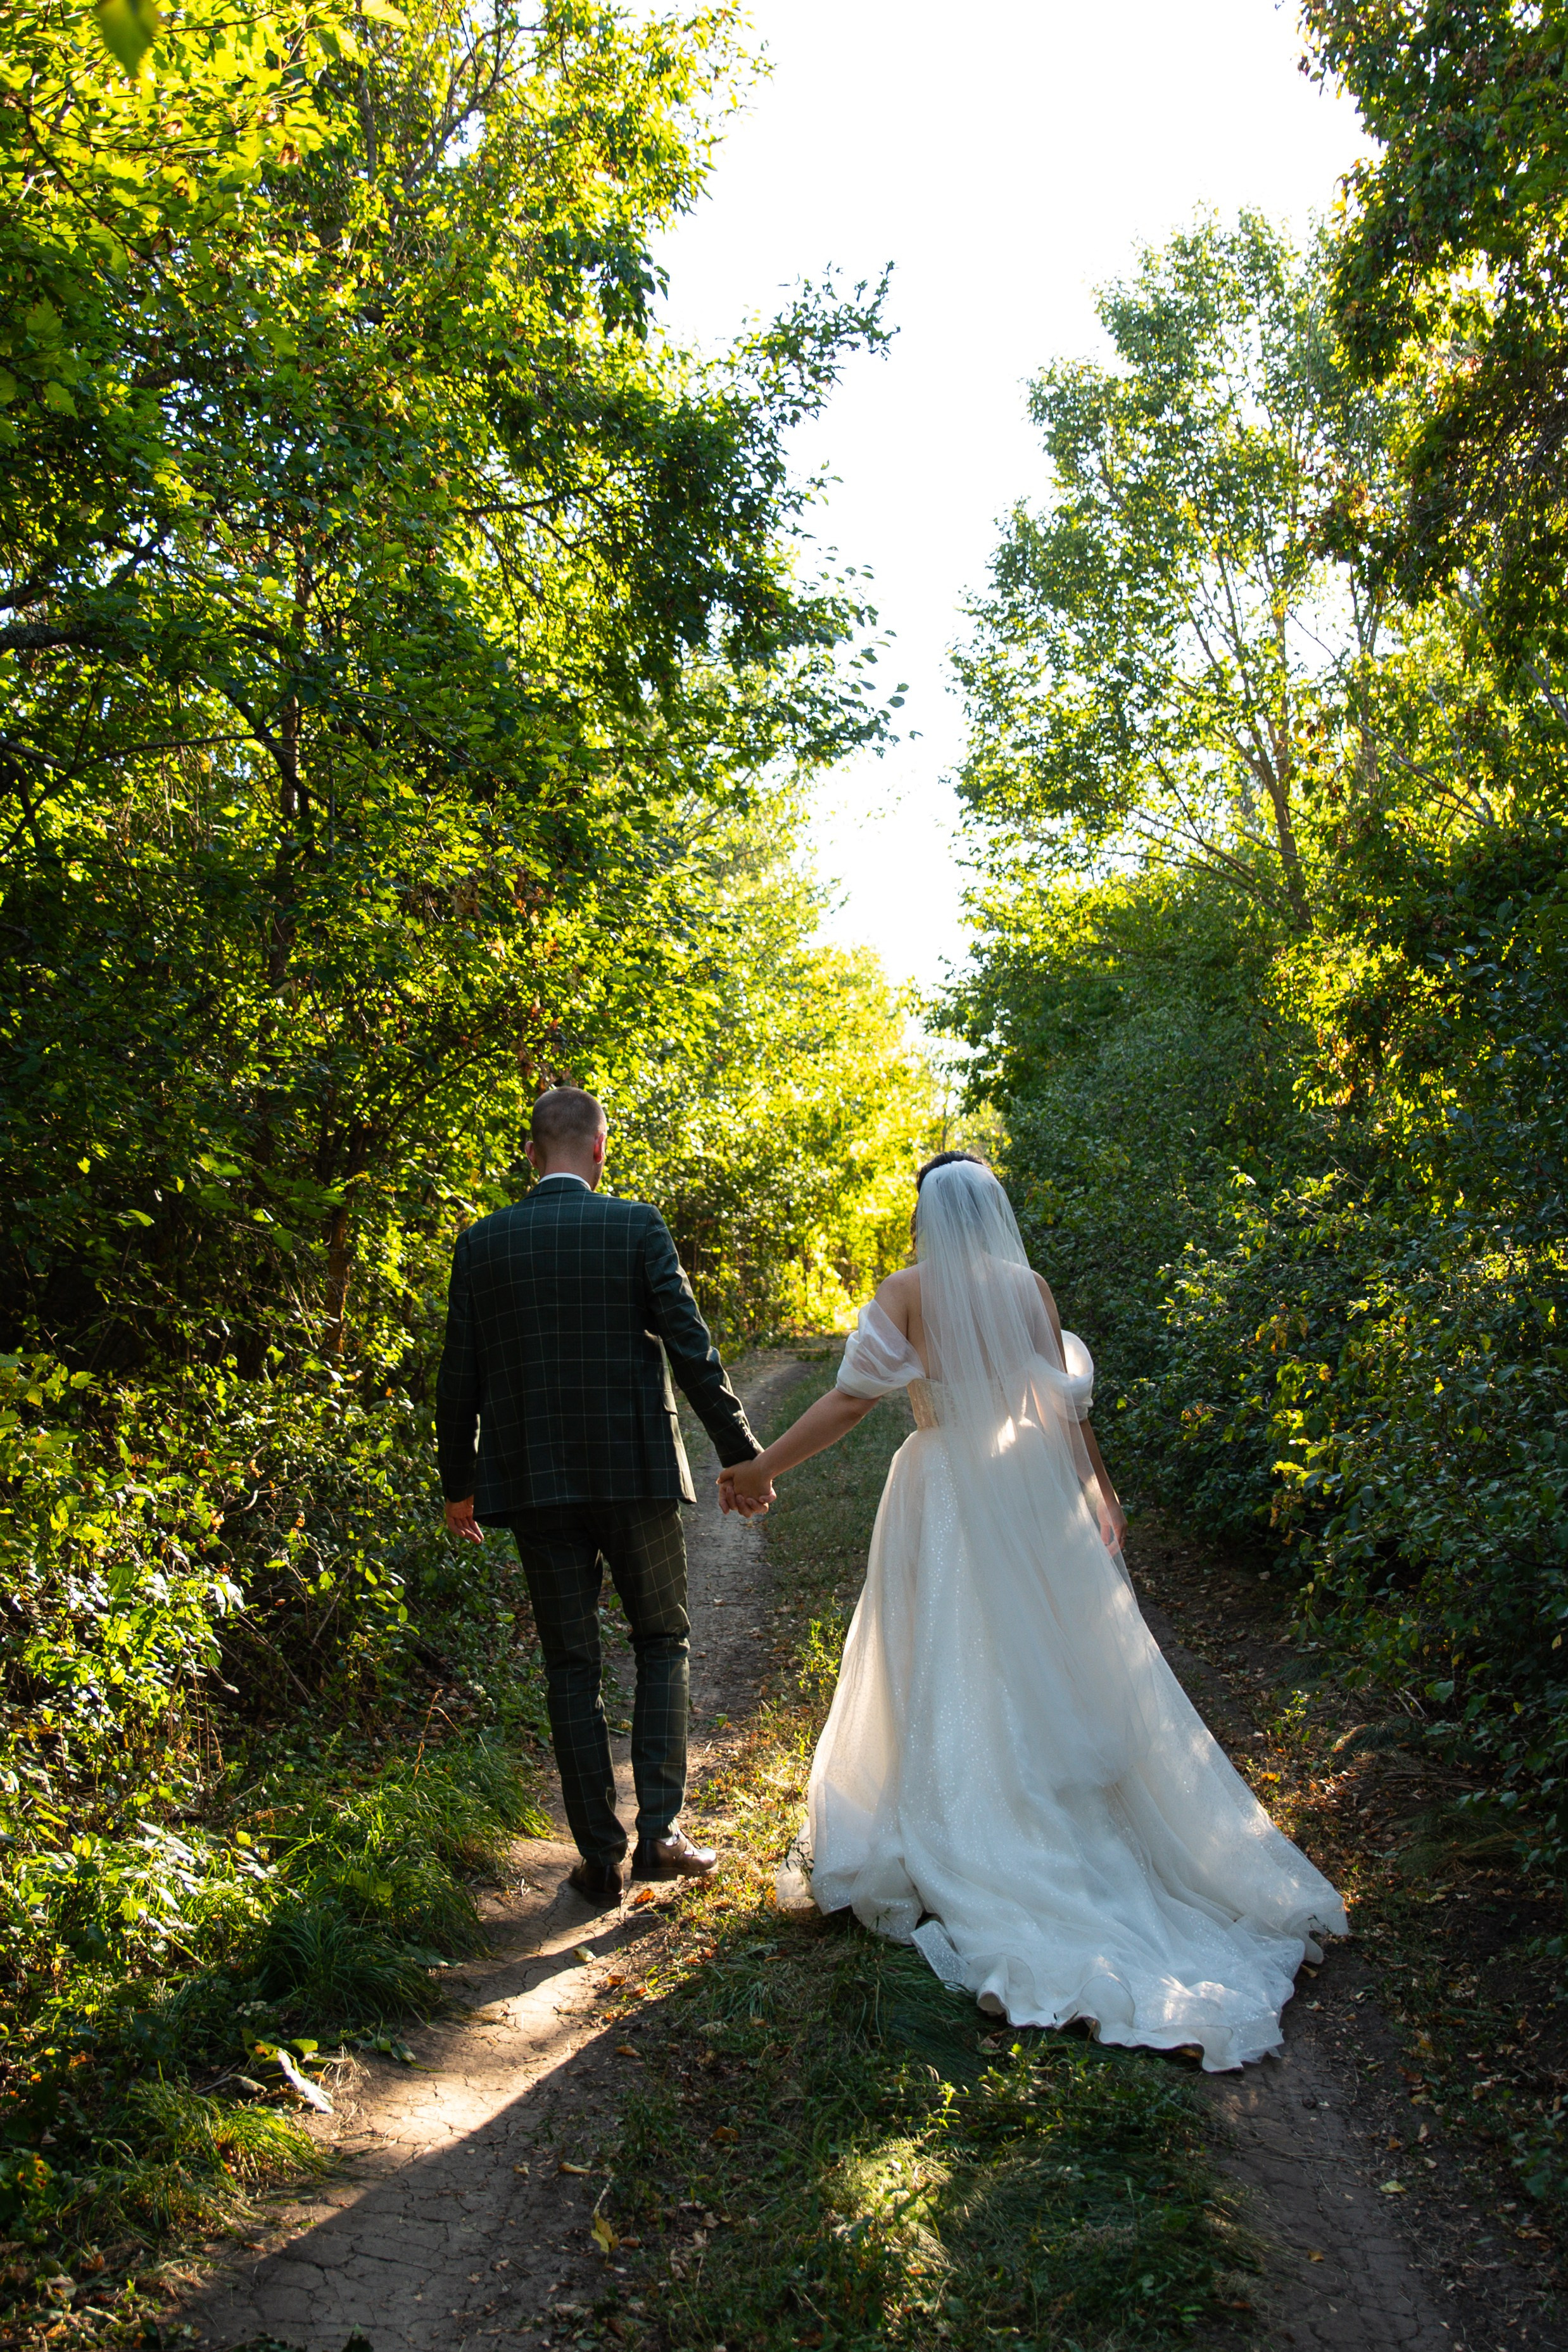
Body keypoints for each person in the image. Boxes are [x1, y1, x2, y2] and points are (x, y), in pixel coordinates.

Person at [719, 1151, 1347, 2071]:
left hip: (940, 1485)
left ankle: (958, 1813)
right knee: (1040, 1654)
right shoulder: (1031, 1288)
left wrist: (763, 1466)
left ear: (926, 1214)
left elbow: (853, 1400)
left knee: (940, 1649)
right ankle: (1046, 1800)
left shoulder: (907, 1289)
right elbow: (1064, 1404)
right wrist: (1101, 1487)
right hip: (1025, 1486)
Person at [436, 1085, 764, 1907]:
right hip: (637, 1475)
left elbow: (458, 1378)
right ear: (599, 1148)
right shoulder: (636, 1226)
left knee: (570, 1664)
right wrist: (742, 1452)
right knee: (661, 1639)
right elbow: (694, 1350)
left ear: (529, 1153)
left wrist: (458, 1485)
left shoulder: (481, 1245)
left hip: (537, 1488)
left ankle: (597, 1860)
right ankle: (660, 1835)